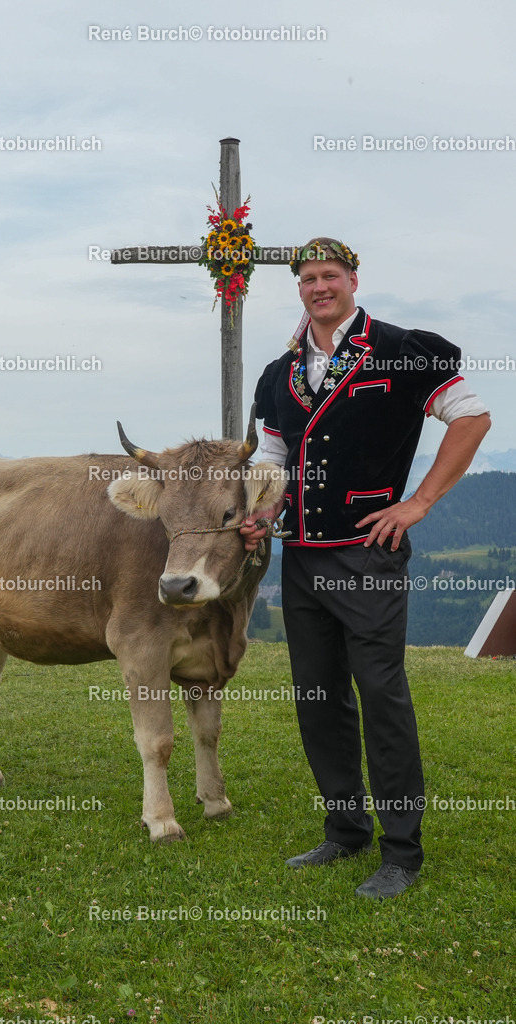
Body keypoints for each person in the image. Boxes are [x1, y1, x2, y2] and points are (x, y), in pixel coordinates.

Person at [240, 238, 491, 899]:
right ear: (297, 289)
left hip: (366, 557)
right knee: (317, 697)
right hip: (301, 557)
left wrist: (418, 502)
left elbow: (470, 418)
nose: (318, 286)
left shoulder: (404, 349)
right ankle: (344, 830)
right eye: (307, 279)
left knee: (380, 696)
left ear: (352, 279)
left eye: (329, 275)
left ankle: (400, 852)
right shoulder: (279, 372)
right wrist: (261, 514)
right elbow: (270, 459)